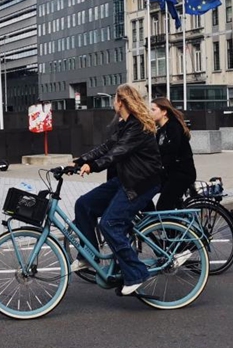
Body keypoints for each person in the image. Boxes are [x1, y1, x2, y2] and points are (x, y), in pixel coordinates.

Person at [70, 84, 163, 296]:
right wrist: (80, 160)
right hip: (125, 179)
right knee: (84, 205)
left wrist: (92, 166)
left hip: (141, 183)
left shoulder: (138, 126)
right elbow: (107, 147)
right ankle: (88, 256)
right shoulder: (126, 125)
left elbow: (117, 153)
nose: (113, 102)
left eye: (114, 99)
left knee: (110, 224)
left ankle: (136, 273)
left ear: (121, 102)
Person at [150, 97, 196, 211]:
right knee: (143, 192)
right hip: (169, 173)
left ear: (164, 111)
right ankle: (153, 225)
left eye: (153, 109)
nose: (149, 113)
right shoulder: (160, 131)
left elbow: (172, 151)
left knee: (163, 206)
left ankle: (168, 228)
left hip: (182, 174)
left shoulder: (173, 127)